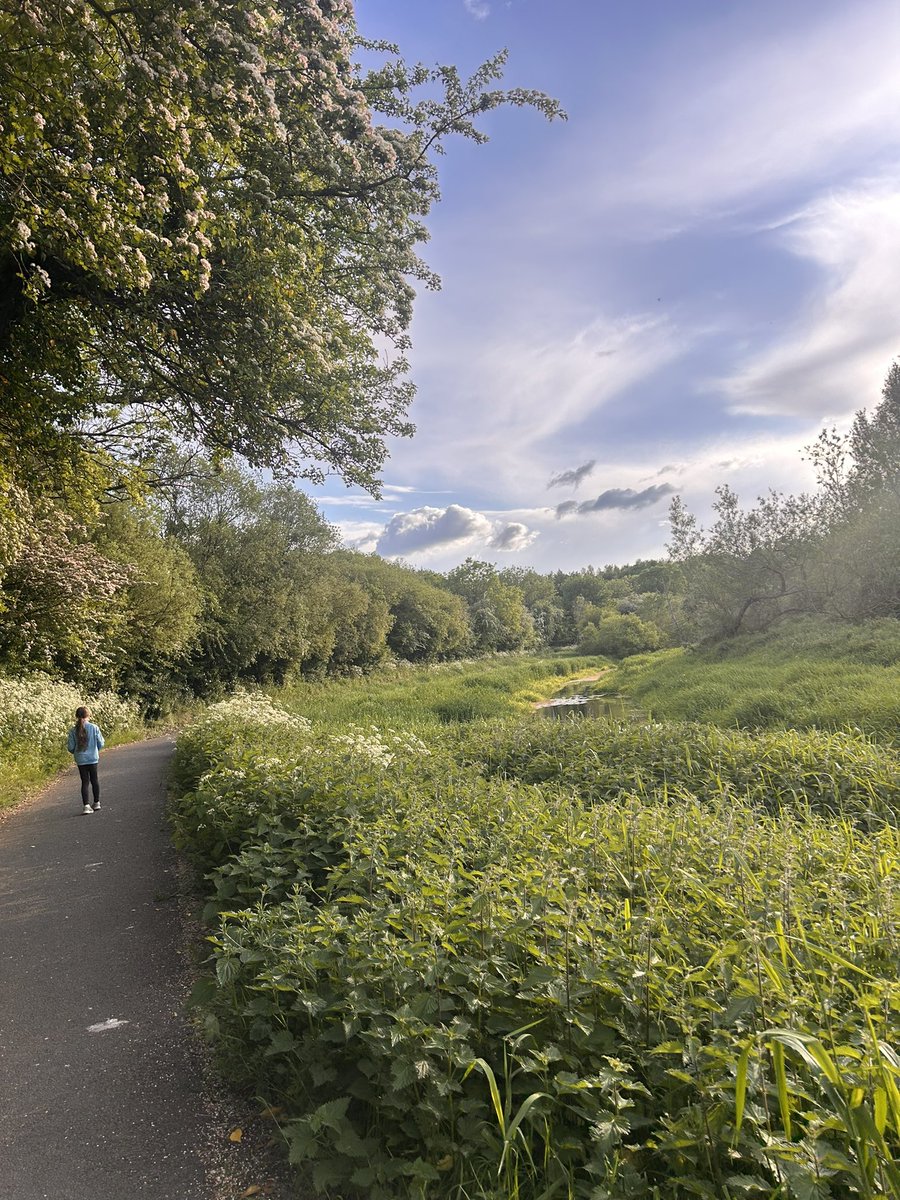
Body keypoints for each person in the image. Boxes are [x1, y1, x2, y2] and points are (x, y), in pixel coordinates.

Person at [67, 705, 105, 814]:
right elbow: (101, 743)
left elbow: (70, 747)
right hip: (93, 758)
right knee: (94, 780)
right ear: (88, 715)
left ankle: (86, 806)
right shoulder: (94, 727)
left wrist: (76, 752)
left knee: (85, 781)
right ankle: (97, 802)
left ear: (76, 716)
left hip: (81, 760)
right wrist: (95, 749)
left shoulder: (73, 731)